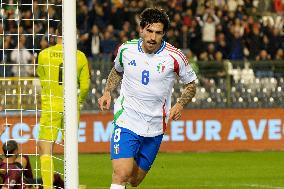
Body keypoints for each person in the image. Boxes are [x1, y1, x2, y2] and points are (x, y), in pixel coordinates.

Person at [98, 8, 197, 189]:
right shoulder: (126, 50)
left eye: (158, 33)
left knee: (134, 180)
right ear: (141, 29)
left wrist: (181, 103)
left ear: (164, 34)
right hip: (127, 119)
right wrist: (107, 91)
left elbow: (191, 84)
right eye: (149, 31)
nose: (152, 37)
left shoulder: (175, 56)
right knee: (121, 173)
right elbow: (117, 71)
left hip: (155, 125)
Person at [37, 22, 90, 189]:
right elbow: (85, 86)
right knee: (70, 148)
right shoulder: (80, 56)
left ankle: (47, 187)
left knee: (45, 148)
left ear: (55, 34)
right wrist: (78, 102)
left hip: (51, 105)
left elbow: (43, 80)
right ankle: (72, 184)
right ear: (73, 34)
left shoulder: (44, 54)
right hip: (71, 107)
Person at [0, 140, 64, 189]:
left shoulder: (2, 163)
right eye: (18, 148)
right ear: (15, 151)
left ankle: (31, 180)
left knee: (24, 157)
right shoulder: (14, 171)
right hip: (27, 186)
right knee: (56, 177)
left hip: (23, 180)